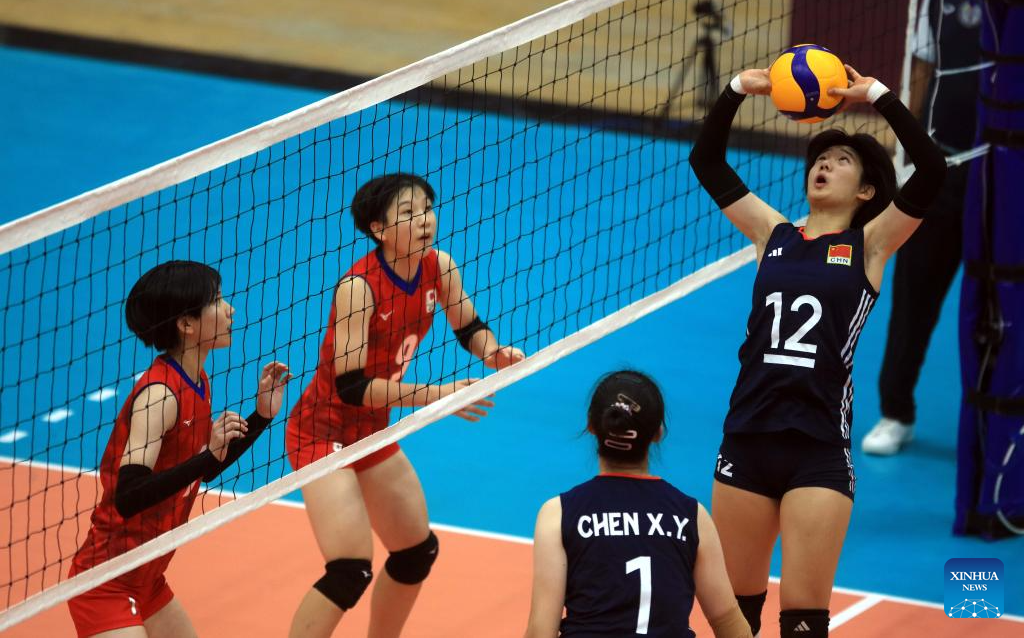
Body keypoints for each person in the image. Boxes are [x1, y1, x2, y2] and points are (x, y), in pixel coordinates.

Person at [688, 64, 946, 637]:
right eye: (819, 159)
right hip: (748, 436)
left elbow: (932, 169)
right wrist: (737, 90)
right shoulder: (772, 234)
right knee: (734, 618)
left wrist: (877, 96)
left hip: (818, 446)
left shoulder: (871, 245)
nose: (823, 166)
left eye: (841, 161)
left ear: (867, 191)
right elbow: (707, 161)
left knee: (804, 622)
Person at [286, 173, 525, 638]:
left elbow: (469, 326)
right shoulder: (358, 288)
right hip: (321, 432)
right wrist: (440, 397)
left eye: (428, 208)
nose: (425, 220)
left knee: (416, 552)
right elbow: (352, 386)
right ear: (378, 229)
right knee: (349, 570)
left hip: (371, 428)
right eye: (409, 213)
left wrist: (494, 352)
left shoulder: (440, 266)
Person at [67, 260, 292, 638]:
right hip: (106, 582)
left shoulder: (197, 379)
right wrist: (206, 456)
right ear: (186, 324)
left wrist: (261, 417)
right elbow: (129, 495)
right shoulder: (159, 395)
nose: (230, 309)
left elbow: (199, 471)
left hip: (148, 577)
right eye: (217, 300)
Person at [524, 370, 752, 638]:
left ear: (591, 425)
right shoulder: (693, 515)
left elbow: (541, 631)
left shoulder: (558, 514)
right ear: (658, 433)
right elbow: (728, 621)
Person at [863, 0, 983, 456]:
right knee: (913, 300)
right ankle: (896, 413)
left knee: (1000, 308)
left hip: (1004, 177)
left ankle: (994, 421)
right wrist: (905, 155)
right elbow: (921, 68)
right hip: (940, 169)